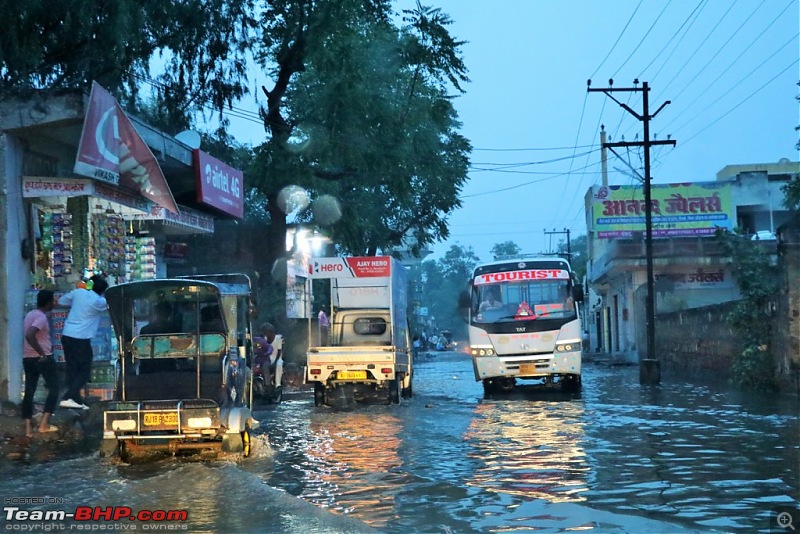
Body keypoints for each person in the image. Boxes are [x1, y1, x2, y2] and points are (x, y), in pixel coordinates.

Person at [58, 274, 108, 410]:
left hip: (67, 335)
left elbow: (62, 301)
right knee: (85, 370)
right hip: (81, 338)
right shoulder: (99, 301)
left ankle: (76, 400)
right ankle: (68, 396)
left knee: (72, 368)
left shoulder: (78, 293)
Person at [22, 290, 59, 436]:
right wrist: (42, 353)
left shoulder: (31, 314)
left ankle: (28, 429)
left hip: (28, 358)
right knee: (54, 389)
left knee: (29, 391)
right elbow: (29, 334)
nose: (55, 303)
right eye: (53, 301)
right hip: (42, 358)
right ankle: (43, 424)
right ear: (48, 302)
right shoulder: (41, 318)